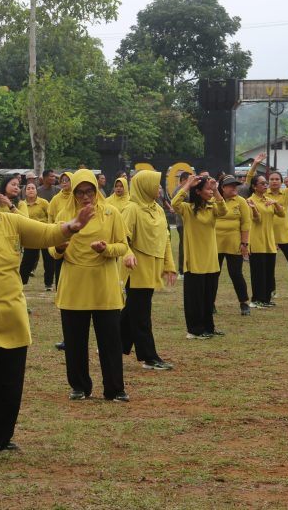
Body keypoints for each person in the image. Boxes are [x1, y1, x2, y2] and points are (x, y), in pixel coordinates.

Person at [0, 170, 91, 462]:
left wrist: (71, 226)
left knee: (9, 383)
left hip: (11, 314)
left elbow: (44, 233)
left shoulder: (9, 220)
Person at [51, 169, 129, 401]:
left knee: (111, 341)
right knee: (75, 341)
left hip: (103, 283)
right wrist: (59, 248)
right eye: (80, 192)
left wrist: (107, 250)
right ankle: (79, 386)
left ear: (96, 190)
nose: (86, 197)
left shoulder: (110, 213)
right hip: (74, 284)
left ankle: (115, 389)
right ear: (73, 193)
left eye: (90, 191)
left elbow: (123, 246)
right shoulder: (64, 216)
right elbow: (52, 247)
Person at [119, 170, 176, 370]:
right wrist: (127, 254)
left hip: (153, 267)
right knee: (141, 313)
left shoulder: (158, 209)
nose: (159, 189)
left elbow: (165, 239)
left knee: (133, 310)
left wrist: (169, 265)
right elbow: (121, 237)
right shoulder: (131, 209)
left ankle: (114, 345)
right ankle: (149, 356)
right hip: (136, 269)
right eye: (155, 185)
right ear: (144, 186)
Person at [171, 175, 227, 338]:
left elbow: (224, 210)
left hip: (210, 260)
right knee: (194, 298)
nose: (210, 192)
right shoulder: (187, 209)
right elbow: (175, 203)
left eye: (211, 189)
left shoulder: (212, 207)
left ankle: (208, 328)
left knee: (209, 297)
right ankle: (194, 330)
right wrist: (187, 185)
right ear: (198, 192)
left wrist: (216, 191)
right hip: (194, 260)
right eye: (207, 189)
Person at [246, 153, 288, 296]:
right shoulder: (263, 193)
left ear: (281, 181)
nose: (274, 181)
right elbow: (250, 181)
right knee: (269, 265)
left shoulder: (287, 193)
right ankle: (271, 290)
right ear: (267, 182)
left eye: (277, 179)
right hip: (267, 234)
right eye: (271, 179)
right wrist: (255, 164)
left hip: (284, 234)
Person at [213, 175, 252, 316]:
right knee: (213, 275)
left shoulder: (241, 201)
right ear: (222, 188)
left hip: (234, 243)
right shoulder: (213, 200)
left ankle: (244, 303)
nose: (234, 187)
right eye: (230, 185)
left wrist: (244, 243)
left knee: (236, 274)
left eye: (235, 185)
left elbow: (246, 224)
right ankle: (210, 303)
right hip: (214, 244)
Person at [246, 174, 284, 308]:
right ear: (254, 186)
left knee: (269, 272)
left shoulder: (268, 199)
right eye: (262, 183)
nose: (265, 185)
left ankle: (266, 299)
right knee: (258, 273)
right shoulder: (250, 201)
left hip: (270, 241)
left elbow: (282, 214)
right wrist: (253, 207)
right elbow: (257, 219)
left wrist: (275, 203)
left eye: (265, 183)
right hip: (257, 241)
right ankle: (256, 299)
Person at [19, 181, 53, 288]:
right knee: (27, 260)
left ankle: (48, 284)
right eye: (28, 188)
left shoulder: (43, 202)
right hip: (31, 235)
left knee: (48, 260)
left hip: (44, 233)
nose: (31, 190)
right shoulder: (22, 204)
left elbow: (50, 215)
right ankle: (22, 283)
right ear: (25, 192)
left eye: (33, 188)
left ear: (36, 191)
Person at [172, 171, 191, 276]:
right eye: (189, 180)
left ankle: (184, 269)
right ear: (184, 180)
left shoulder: (183, 190)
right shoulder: (180, 191)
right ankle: (181, 270)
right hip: (182, 222)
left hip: (184, 222)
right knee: (183, 246)